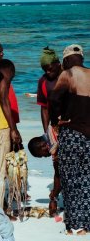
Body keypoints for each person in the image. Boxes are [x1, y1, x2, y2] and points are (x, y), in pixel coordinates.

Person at [49, 44, 89, 236]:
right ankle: (87, 223)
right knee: (87, 179)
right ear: (82, 58)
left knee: (71, 179)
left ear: (65, 61)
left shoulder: (68, 75)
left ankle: (74, 224)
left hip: (72, 134)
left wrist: (56, 121)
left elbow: (54, 100)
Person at [0, 59, 22, 211]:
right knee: (0, 174)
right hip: (2, 129)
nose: (11, 79)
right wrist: (13, 129)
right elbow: (4, 100)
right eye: (11, 76)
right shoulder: (3, 79)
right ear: (7, 71)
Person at [28, 125, 60, 217]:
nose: (45, 157)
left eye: (41, 155)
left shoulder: (54, 146)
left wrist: (54, 196)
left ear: (43, 146)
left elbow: (58, 174)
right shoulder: (51, 131)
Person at [37, 46, 62, 132]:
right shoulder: (43, 81)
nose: (47, 72)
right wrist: (46, 132)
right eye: (44, 70)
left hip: (74, 125)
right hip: (55, 126)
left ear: (58, 64)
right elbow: (44, 109)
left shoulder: (70, 76)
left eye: (50, 69)